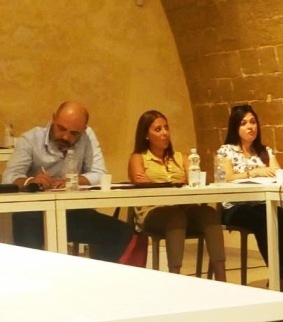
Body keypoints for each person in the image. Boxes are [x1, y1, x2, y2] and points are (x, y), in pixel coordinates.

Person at [2, 101, 133, 262]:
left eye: (74, 133)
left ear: (83, 130)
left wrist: (75, 181)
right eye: (61, 129)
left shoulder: (87, 136)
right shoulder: (30, 139)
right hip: (33, 214)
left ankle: (99, 275)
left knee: (121, 232)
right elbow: (9, 177)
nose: (65, 137)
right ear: (53, 119)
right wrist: (30, 181)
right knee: (30, 248)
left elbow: (100, 173)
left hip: (73, 212)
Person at [128, 110, 227, 280]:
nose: (165, 133)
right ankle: (176, 278)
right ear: (146, 135)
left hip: (183, 208)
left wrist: (170, 181)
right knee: (175, 217)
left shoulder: (182, 158)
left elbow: (193, 180)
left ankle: (221, 278)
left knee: (209, 213)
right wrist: (173, 182)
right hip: (153, 212)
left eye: (166, 128)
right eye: (158, 129)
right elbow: (140, 182)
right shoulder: (139, 158)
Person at [219, 104, 283, 293]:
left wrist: (273, 172)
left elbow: (277, 173)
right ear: (236, 128)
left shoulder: (264, 151)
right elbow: (227, 177)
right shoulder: (226, 150)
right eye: (244, 123)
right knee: (264, 222)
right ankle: (280, 277)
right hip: (234, 207)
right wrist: (253, 172)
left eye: (253, 122)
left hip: (262, 203)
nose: (250, 127)